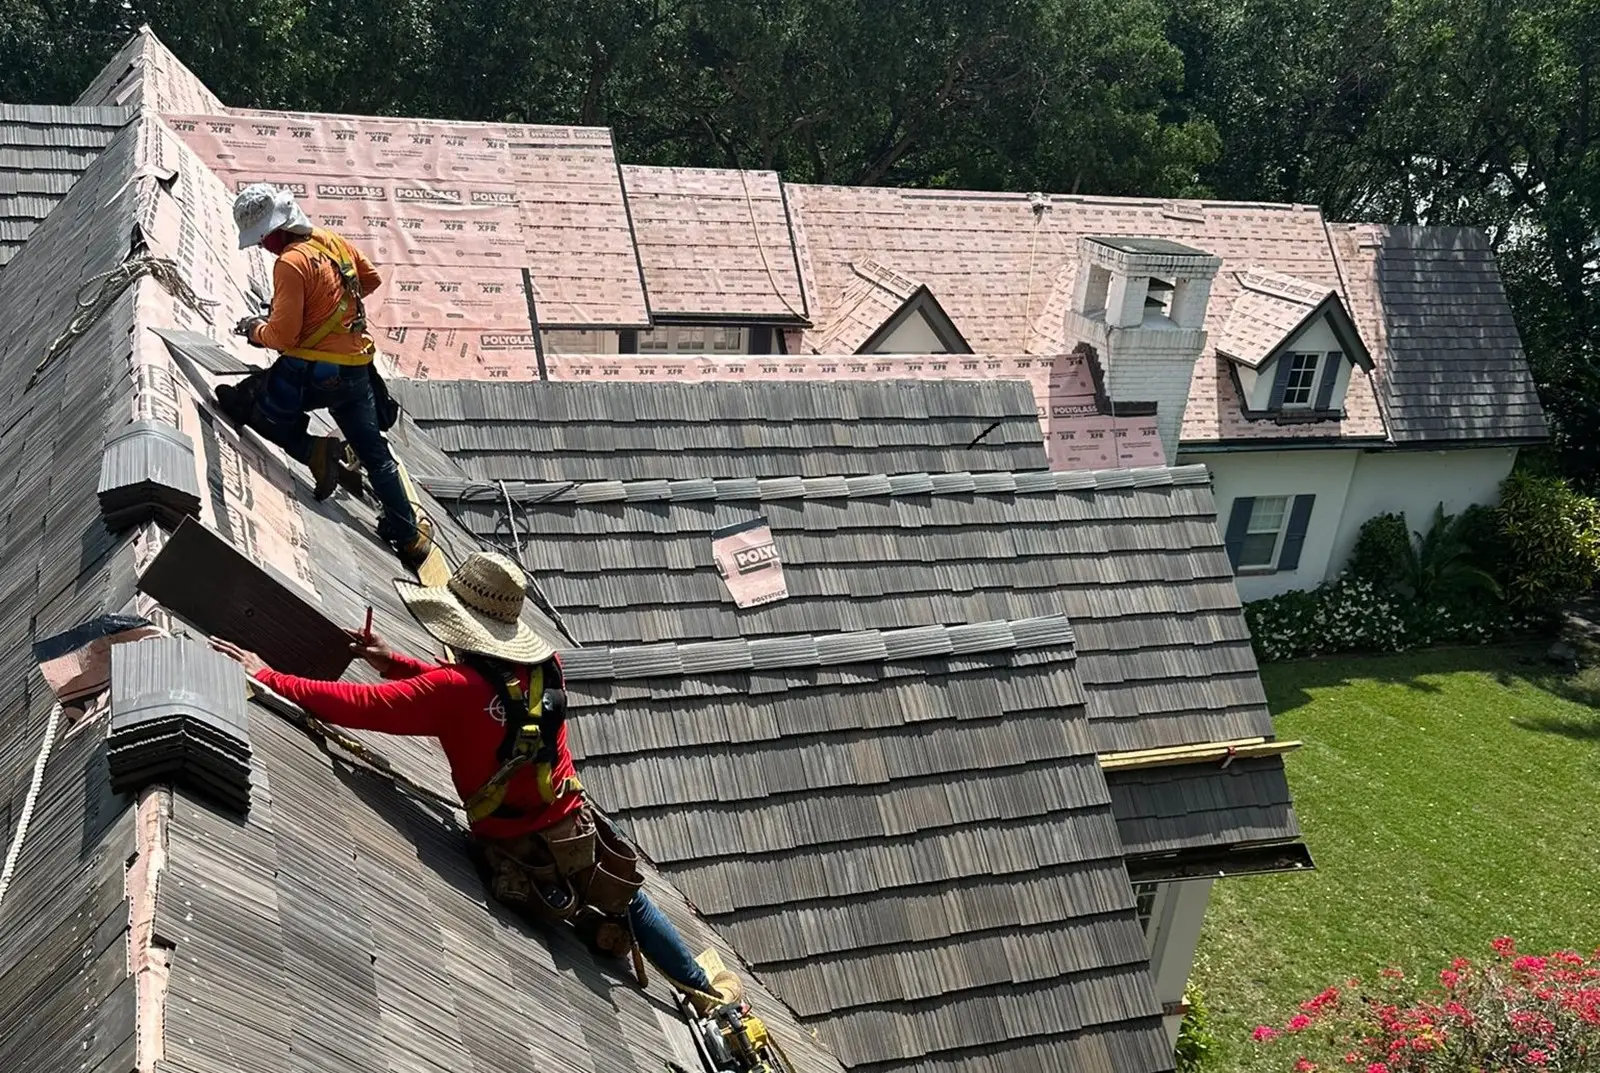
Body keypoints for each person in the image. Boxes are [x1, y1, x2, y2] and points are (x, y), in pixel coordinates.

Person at [209, 551, 740, 1013]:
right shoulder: (545, 667)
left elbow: (362, 706)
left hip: (513, 840)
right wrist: (394, 662)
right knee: (631, 898)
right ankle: (702, 990)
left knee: (586, 895)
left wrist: (267, 674)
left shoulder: (455, 690)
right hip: (573, 826)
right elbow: (481, 700)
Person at [230, 182, 432, 569]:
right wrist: (332, 309)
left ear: (276, 231)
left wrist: (256, 330)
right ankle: (408, 537)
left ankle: (312, 451)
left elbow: (283, 337)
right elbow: (368, 280)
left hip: (314, 369)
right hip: (357, 368)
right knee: (375, 454)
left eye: (262, 239)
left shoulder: (290, 262)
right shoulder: (331, 241)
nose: (261, 247)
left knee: (251, 404)